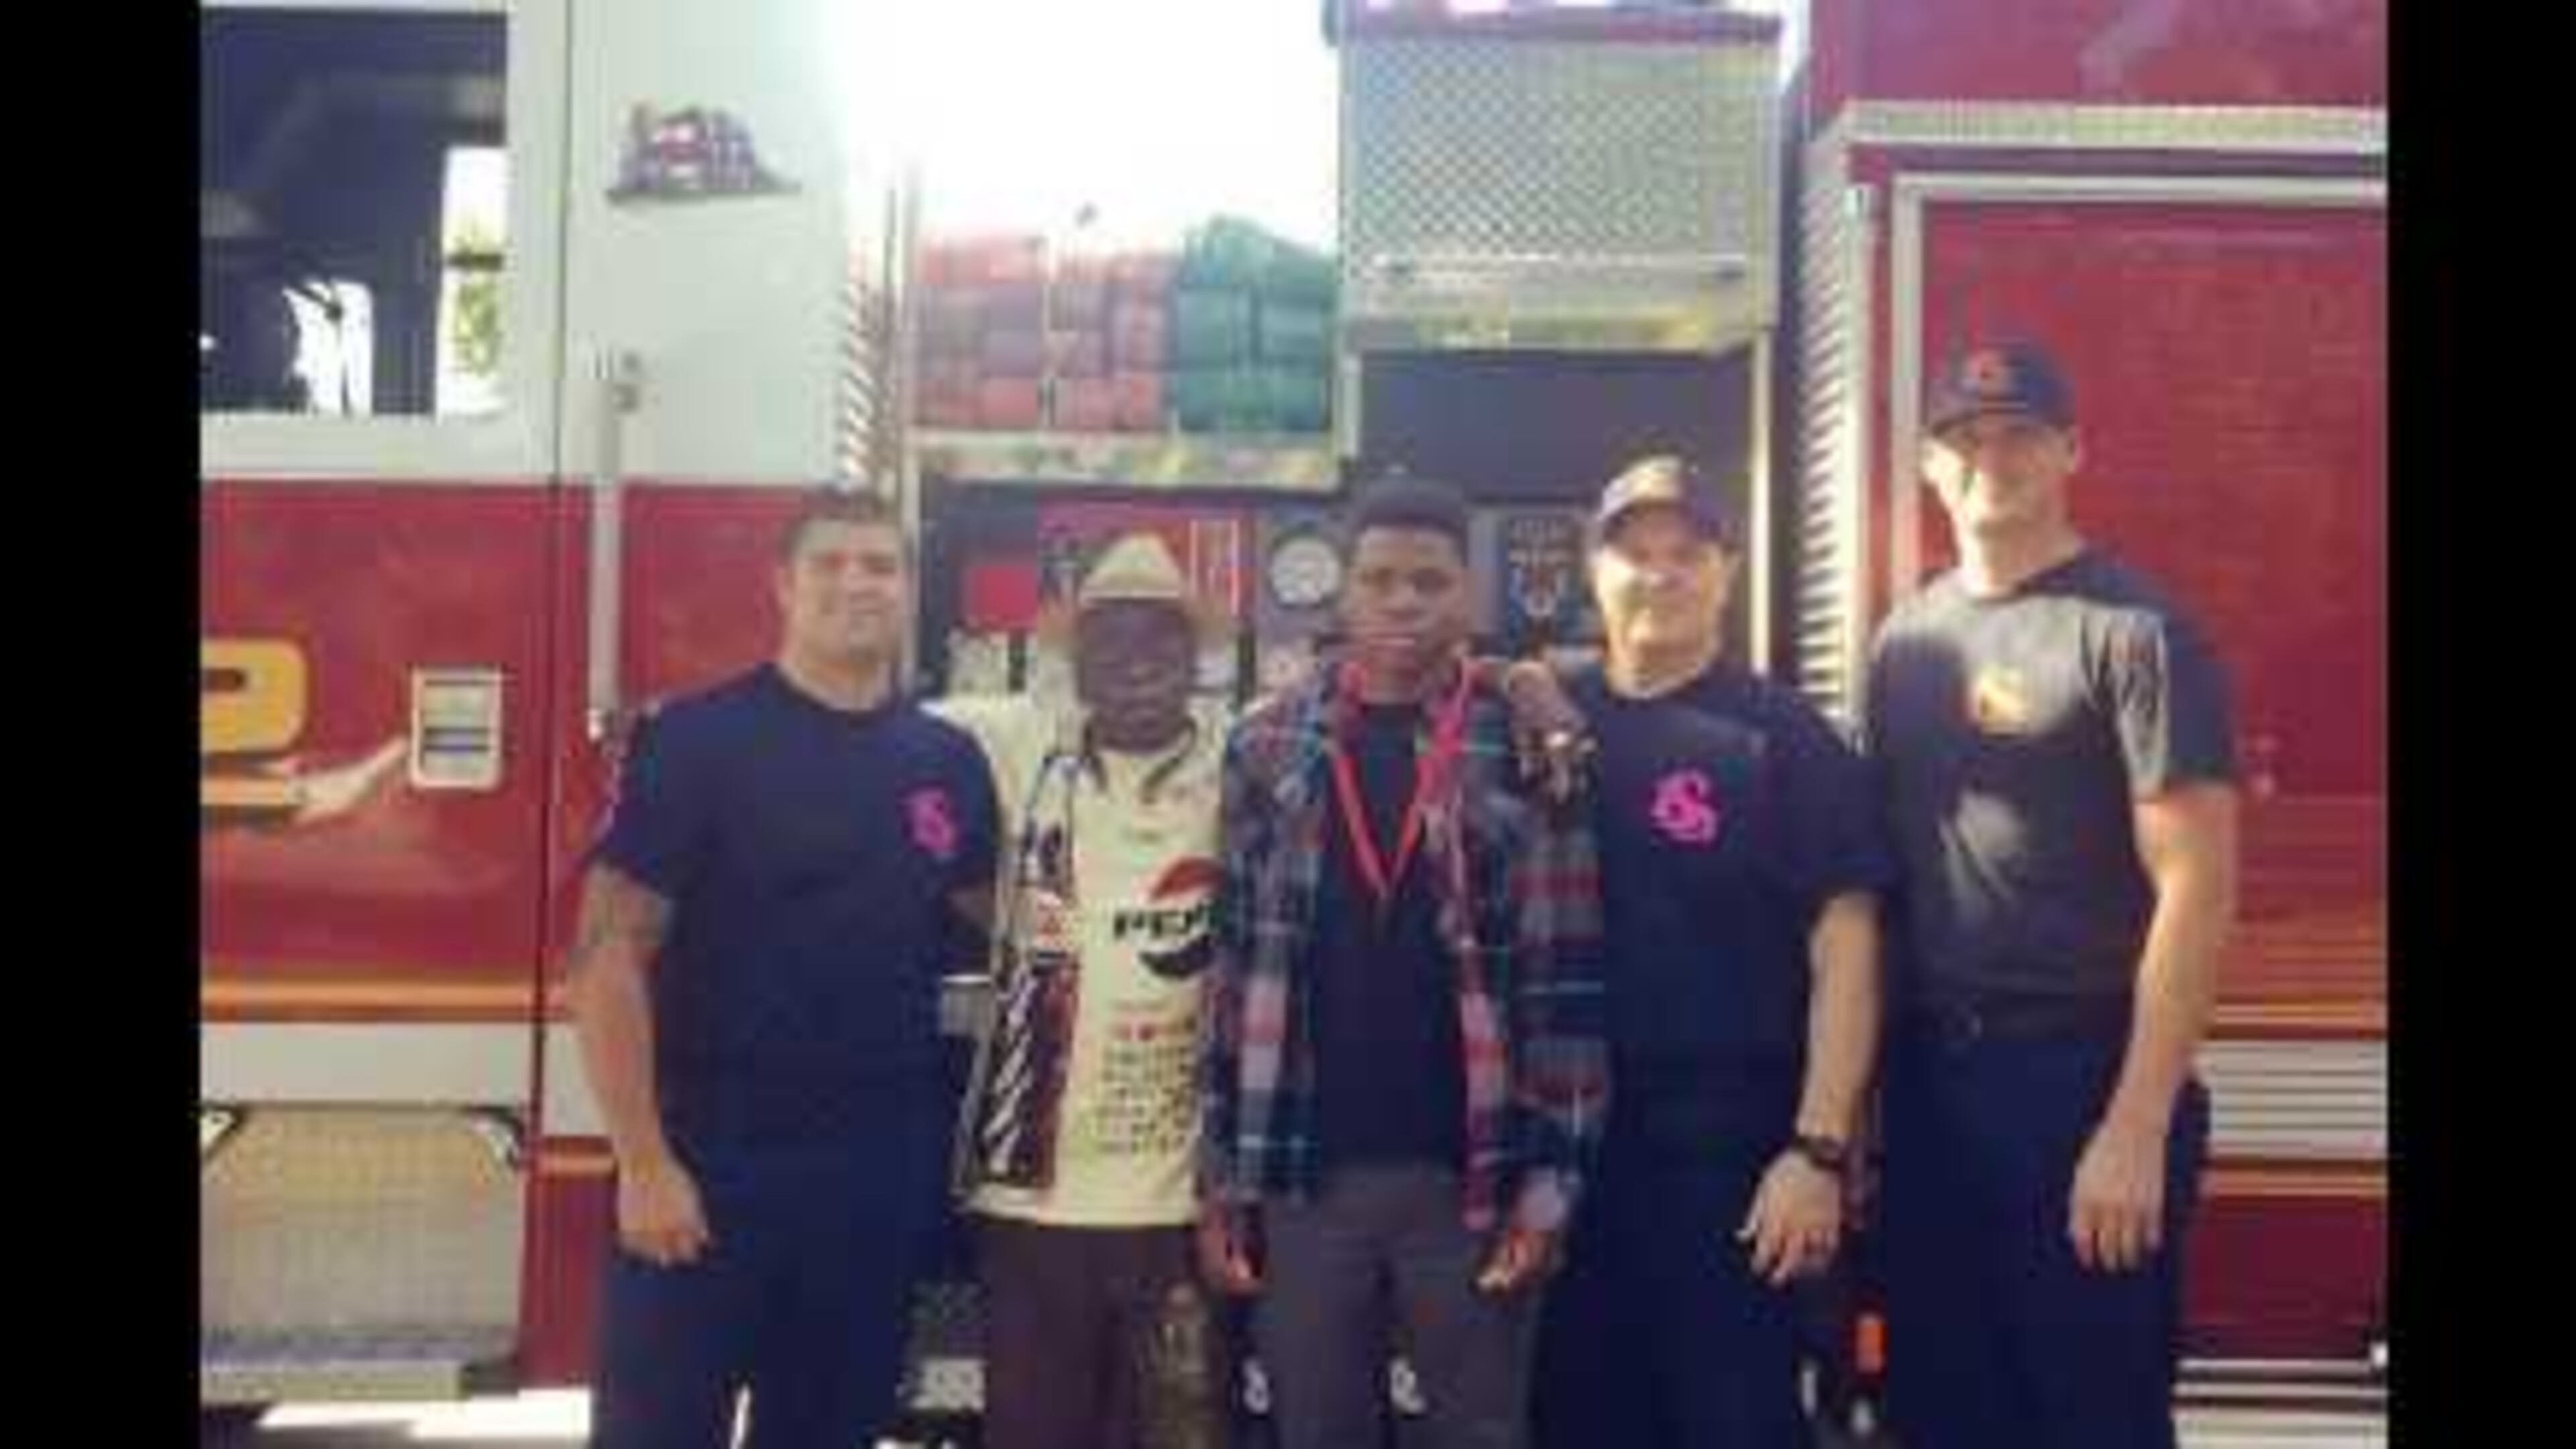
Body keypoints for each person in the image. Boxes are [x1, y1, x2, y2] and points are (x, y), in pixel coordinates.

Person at [566, 487, 1000, 1449]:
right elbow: (605, 959)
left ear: (909, 587)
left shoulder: (948, 761)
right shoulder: (699, 742)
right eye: (830, 563)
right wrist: (643, 1164)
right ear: (782, 586)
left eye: (880, 565)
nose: (857, 583)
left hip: (875, 1179)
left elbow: (1015, 930)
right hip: (711, 1166)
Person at [1867, 341, 2241, 1449]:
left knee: (2090, 1415)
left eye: (2020, 434)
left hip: (2081, 1086)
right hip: (1936, 1091)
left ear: (2073, 450)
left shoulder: (2136, 634)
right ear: (1932, 466)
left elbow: (2198, 890)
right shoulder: (1906, 642)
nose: (1992, 457)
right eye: (1966, 439)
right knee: (1942, 1409)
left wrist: (2135, 1126)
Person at [1196, 472, 1610, 1449]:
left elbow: (1567, 982)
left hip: (1470, 1177)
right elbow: (1232, 969)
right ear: (1343, 590)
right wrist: (1220, 1177)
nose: (1402, 602)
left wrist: (1553, 1186)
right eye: (1379, 578)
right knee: (1316, 1431)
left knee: (1479, 1431)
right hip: (1304, 1179)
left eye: (1429, 581)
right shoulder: (1265, 741)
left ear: (1466, 595)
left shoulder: (1525, 741)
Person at [1529, 455, 1893, 1449]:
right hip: (1566, 1159)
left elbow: (1850, 948)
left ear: (1727, 570)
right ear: (1593, 573)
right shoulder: (1542, 720)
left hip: (1728, 1160)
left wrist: (1816, 1151)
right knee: (1579, 1416)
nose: (1660, 575)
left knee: (1730, 1419)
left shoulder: (1783, 740)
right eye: (1635, 554)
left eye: (1686, 553)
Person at [934, 533, 1234, 1449]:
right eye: (1109, 640)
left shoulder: (1248, 755)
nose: (1136, 660)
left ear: (1196, 659)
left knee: (1183, 1434)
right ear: (1075, 662)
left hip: (1186, 1206)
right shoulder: (1017, 746)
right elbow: (869, 721)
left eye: (1161, 639)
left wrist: (1527, 685)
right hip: (1031, 1202)